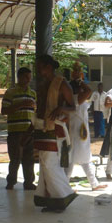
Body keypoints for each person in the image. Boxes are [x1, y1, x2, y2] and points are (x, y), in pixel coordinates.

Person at [33, 55, 77, 212]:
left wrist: (61, 108)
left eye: (40, 66)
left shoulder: (62, 84)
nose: (38, 69)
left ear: (49, 67)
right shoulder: (42, 84)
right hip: (42, 128)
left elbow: (73, 107)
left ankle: (64, 196)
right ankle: (52, 200)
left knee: (50, 164)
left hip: (56, 130)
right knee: (44, 165)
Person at [66, 64, 107, 191]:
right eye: (80, 88)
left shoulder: (77, 98)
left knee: (85, 157)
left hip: (80, 130)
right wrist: (79, 80)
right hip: (75, 131)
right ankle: (65, 184)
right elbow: (88, 90)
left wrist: (78, 80)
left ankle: (94, 184)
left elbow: (87, 91)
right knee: (72, 157)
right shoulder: (76, 98)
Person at [1, 67, 37, 190]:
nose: (28, 80)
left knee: (29, 159)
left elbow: (35, 112)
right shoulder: (10, 92)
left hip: (29, 131)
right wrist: (21, 105)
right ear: (19, 77)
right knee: (15, 158)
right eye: (26, 77)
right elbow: (4, 111)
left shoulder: (33, 94)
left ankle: (29, 182)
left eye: (30, 77)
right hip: (15, 131)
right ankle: (11, 182)